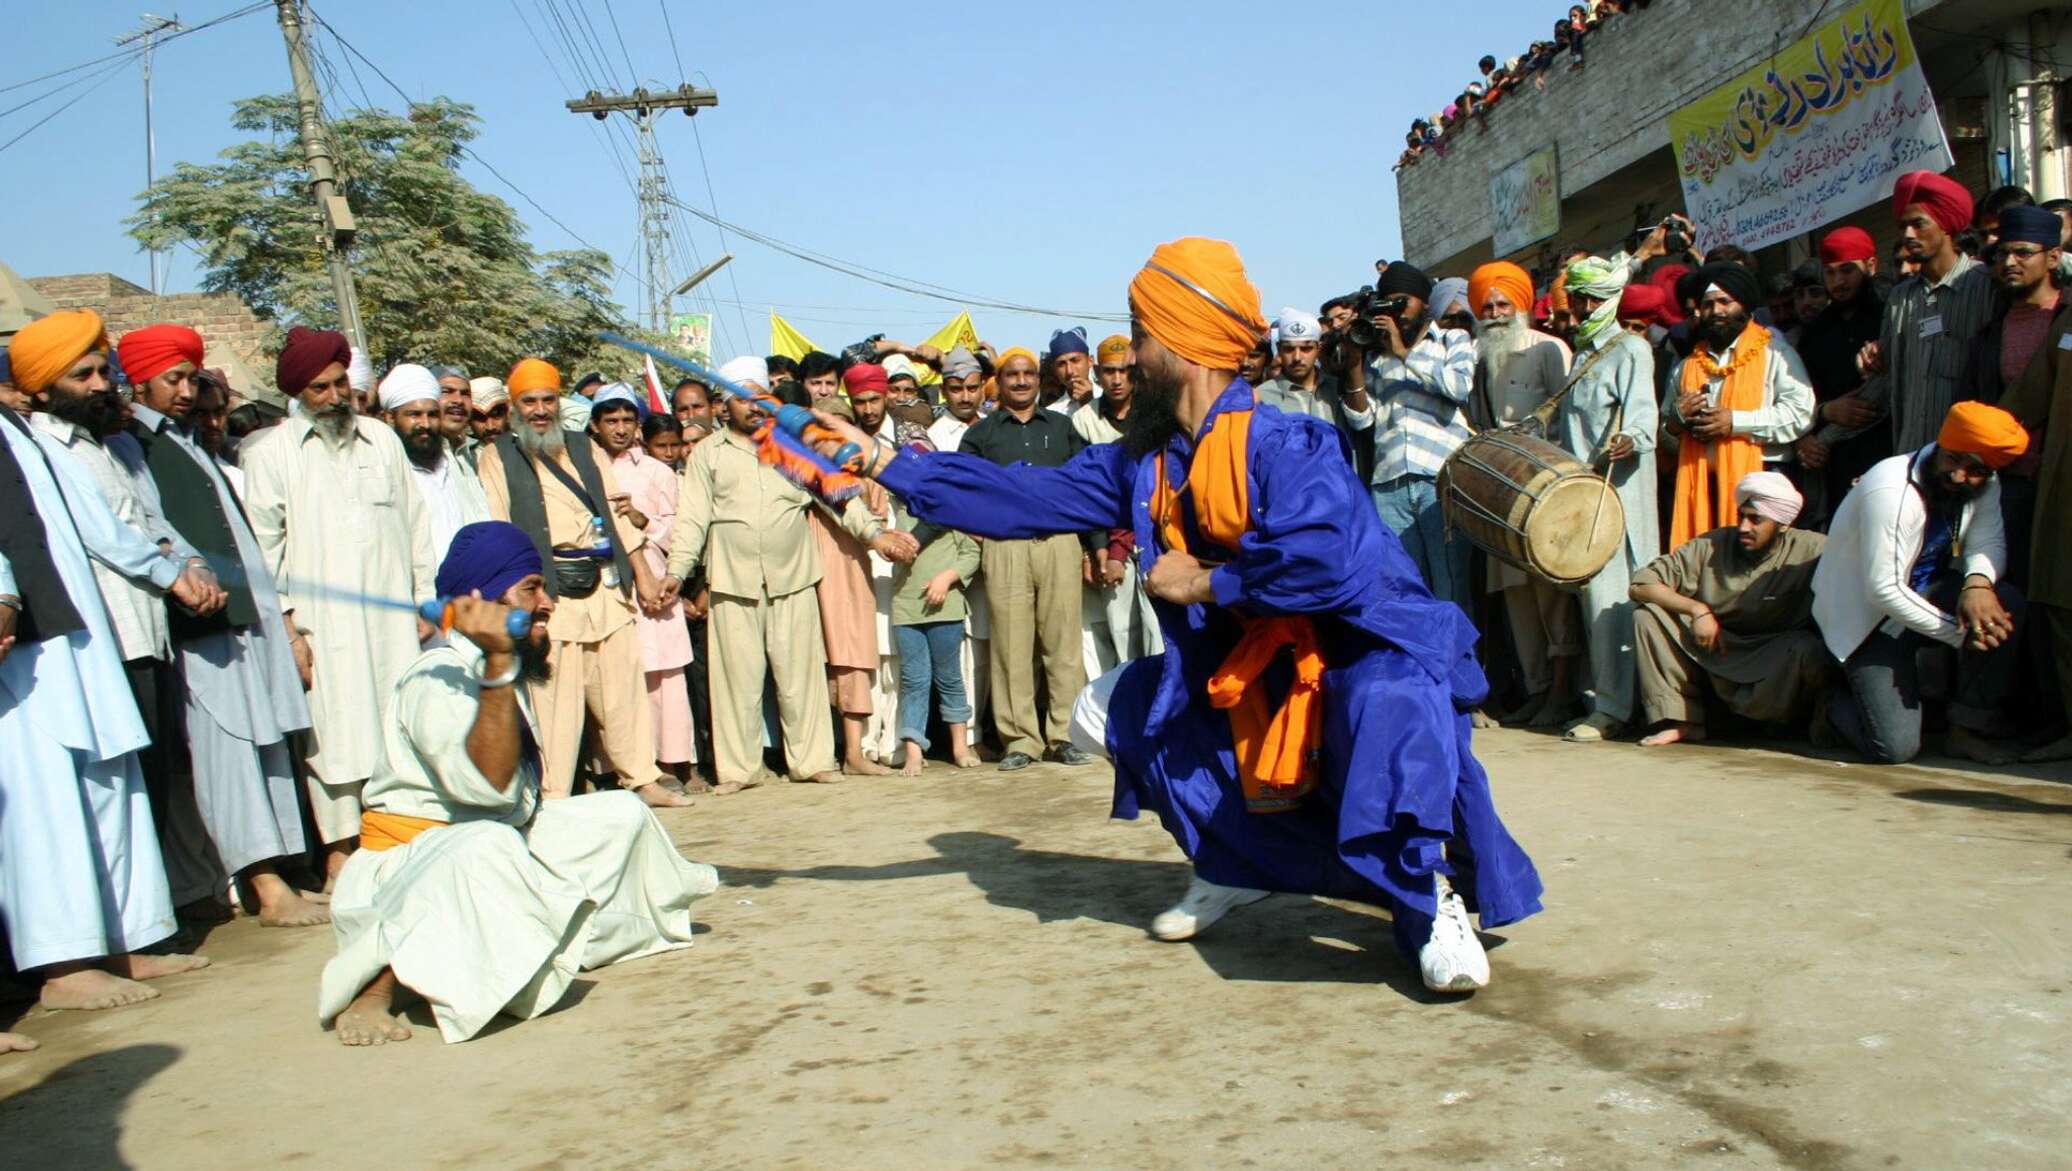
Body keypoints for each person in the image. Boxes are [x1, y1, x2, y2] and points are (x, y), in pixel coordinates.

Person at [805, 236, 1542, 993]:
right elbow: (1023, 499)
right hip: (1240, 675)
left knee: (1391, 705)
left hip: (1360, 654)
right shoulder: (1142, 462)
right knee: (1114, 712)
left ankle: (1429, 903)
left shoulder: (1289, 443)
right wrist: (884, 463)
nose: (1130, 351)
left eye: (1142, 334)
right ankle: (1236, 862)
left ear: (1184, 345)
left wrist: (1207, 583)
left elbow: (1328, 561)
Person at [319, 521, 718, 1046]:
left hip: (495, 844)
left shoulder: (494, 662)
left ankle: (532, 942)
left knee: (620, 814)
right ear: (483, 599)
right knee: (484, 845)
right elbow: (485, 792)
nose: (548, 602)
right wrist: (501, 663)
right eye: (531, 587)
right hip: (416, 868)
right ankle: (375, 989)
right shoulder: (436, 678)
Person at [2, 316, 219, 1012]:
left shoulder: (56, 444)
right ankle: (63, 964)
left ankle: (130, 937)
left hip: (83, 633)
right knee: (49, 802)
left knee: (112, 783)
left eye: (104, 371)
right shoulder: (29, 437)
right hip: (35, 644)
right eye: (84, 374)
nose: (102, 384)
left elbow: (106, 527)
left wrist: (174, 568)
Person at [117, 322, 328, 927]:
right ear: (139, 382)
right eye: (173, 379)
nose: (185, 392)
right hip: (201, 626)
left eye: (191, 378)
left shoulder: (181, 440)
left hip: (245, 618)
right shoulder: (130, 443)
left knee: (266, 746)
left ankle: (286, 871)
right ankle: (264, 888)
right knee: (227, 752)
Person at [660, 358, 914, 790]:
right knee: (735, 683)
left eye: (761, 398)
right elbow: (692, 520)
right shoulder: (708, 454)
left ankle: (813, 761)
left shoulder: (792, 448)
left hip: (793, 578)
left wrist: (876, 537)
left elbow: (841, 497)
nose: (753, 408)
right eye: (743, 400)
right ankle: (739, 771)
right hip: (732, 582)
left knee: (802, 678)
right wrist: (675, 572)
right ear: (725, 405)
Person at [243, 328, 435, 881]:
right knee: (333, 737)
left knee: (398, 726)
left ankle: (401, 838)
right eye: (321, 388)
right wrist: (288, 629)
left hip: (393, 621)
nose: (335, 397)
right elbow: (263, 549)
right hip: (320, 626)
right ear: (299, 393)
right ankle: (341, 854)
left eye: (340, 384)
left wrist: (425, 599)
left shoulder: (381, 439)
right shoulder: (271, 454)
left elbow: (415, 523)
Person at [475, 359, 687, 808]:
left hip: (604, 585)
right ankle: (553, 792)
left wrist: (644, 577)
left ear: (558, 403)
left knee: (623, 690)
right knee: (554, 699)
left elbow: (614, 513)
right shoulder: (496, 457)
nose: (539, 410)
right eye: (529, 402)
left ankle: (642, 778)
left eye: (547, 400)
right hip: (549, 591)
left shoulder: (582, 447)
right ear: (515, 408)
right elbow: (499, 525)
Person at [1811, 403, 2028, 765]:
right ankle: (1829, 704)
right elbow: (1883, 590)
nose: (1959, 476)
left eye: (1975, 470)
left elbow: (1988, 541)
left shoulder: (1985, 483)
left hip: (1924, 595)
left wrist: (1977, 584)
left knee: (2004, 606)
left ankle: (1966, 728)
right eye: (1954, 460)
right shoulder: (1891, 488)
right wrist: (1960, 636)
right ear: (1940, 446)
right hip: (1869, 620)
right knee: (1894, 748)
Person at [957, 346, 1096, 771]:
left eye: (1028, 374)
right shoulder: (982, 434)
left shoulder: (1063, 426)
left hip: (1059, 543)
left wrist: (1095, 547)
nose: (1020, 381)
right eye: (1012, 374)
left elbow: (1086, 488)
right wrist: (980, 530)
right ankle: (1020, 740)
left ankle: (1063, 735)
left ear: (1038, 379)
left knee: (1063, 646)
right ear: (998, 382)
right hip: (1006, 548)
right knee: (1011, 648)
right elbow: (961, 488)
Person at [1629, 472, 1828, 746]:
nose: (1744, 527)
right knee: (1647, 615)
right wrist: (1697, 610)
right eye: (1741, 517)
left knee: (1809, 649)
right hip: (1714, 644)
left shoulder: (1813, 549)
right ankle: (1682, 720)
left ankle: (1790, 724)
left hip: (1772, 652)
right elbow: (1641, 584)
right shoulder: (1712, 545)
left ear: (1782, 525)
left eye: (1756, 520)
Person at [1811, 172, 1997, 465]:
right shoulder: (1901, 298)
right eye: (1903, 226)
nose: (1908, 235)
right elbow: (1884, 384)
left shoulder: (1986, 284)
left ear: (1946, 224)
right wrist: (1822, 439)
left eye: (1918, 224)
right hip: (1913, 460)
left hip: (1970, 463)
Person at [1466, 262, 1580, 727]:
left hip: (1546, 488)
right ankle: (1535, 690)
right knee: (1514, 593)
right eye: (1487, 306)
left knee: (1551, 591)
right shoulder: (1479, 355)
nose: (1494, 313)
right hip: (1502, 489)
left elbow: (1569, 416)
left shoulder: (1550, 349)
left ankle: (1561, 691)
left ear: (1522, 306)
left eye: (1502, 304)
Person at [1554, 256, 1661, 743]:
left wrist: (1631, 440)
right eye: (1578, 299)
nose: (1584, 307)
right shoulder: (1580, 356)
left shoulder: (1631, 348)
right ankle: (1607, 700)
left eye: (1592, 299)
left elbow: (1643, 416)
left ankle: (1618, 708)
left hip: (1619, 492)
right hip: (1582, 496)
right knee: (1592, 597)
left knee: (1615, 597)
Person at [590, 384, 700, 791]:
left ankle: (672, 762)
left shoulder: (656, 470)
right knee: (617, 675)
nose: (619, 429)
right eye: (610, 420)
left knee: (666, 677)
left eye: (626, 420)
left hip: (657, 582)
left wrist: (643, 522)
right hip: (606, 585)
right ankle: (620, 766)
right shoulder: (583, 465)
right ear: (595, 424)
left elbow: (680, 528)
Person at [1663, 261, 1816, 548]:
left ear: (1744, 306)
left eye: (1725, 302)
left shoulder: (1775, 354)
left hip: (1762, 481)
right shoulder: (1685, 368)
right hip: (1699, 489)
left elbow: (1802, 413)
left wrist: (1734, 422)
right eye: (1708, 304)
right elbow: (1663, 434)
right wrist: (1675, 422)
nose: (1717, 311)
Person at [1364, 261, 1477, 613]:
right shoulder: (1376, 357)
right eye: (1389, 304)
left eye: (1403, 302)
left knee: (1450, 586)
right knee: (1406, 588)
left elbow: (1458, 386)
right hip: (1389, 484)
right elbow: (1362, 418)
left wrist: (1404, 353)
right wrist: (1354, 365)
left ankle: (1460, 667)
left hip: (1439, 479)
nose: (1397, 313)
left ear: (1424, 303)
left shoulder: (1451, 340)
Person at [1999, 248, 2072, 762]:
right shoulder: (2067, 324)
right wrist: (1970, 441)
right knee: (2062, 608)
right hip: (2063, 493)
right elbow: (2026, 398)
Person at [815, 363, 901, 774]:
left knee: (853, 657)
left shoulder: (863, 473)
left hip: (849, 569)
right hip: (807, 570)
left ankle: (853, 753)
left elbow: (863, 513)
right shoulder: (799, 467)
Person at [1793, 227, 1888, 525]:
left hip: (1888, 450)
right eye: (1831, 273)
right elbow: (1798, 396)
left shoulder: (1891, 314)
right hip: (1834, 462)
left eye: (1847, 271)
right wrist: (1823, 415)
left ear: (1871, 266)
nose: (1839, 282)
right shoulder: (1816, 333)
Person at [889, 494, 983, 775]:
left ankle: (960, 747)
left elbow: (971, 553)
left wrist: (946, 578)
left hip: (946, 609)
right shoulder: (899, 512)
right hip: (906, 607)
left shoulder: (950, 509)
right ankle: (914, 751)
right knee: (914, 679)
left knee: (949, 676)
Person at [381, 363, 490, 563]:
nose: (457, 400)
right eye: (447, 391)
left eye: (465, 393)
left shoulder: (470, 457)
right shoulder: (394, 467)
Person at [1255, 307, 1375, 442]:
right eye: (1289, 349)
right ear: (1279, 348)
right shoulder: (1261, 397)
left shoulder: (1338, 389)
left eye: (1306, 348)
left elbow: (1362, 421)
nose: (1297, 357)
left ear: (1319, 348)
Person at [1046, 327, 1096, 415]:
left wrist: (1091, 403)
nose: (1069, 371)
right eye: (1061, 364)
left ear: (1090, 361)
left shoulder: (1111, 398)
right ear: (1054, 370)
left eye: (1075, 360)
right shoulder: (1053, 414)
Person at [467, 376, 509, 446]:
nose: (490, 427)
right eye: (479, 417)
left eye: (497, 414)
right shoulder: (464, 455)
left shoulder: (527, 450)